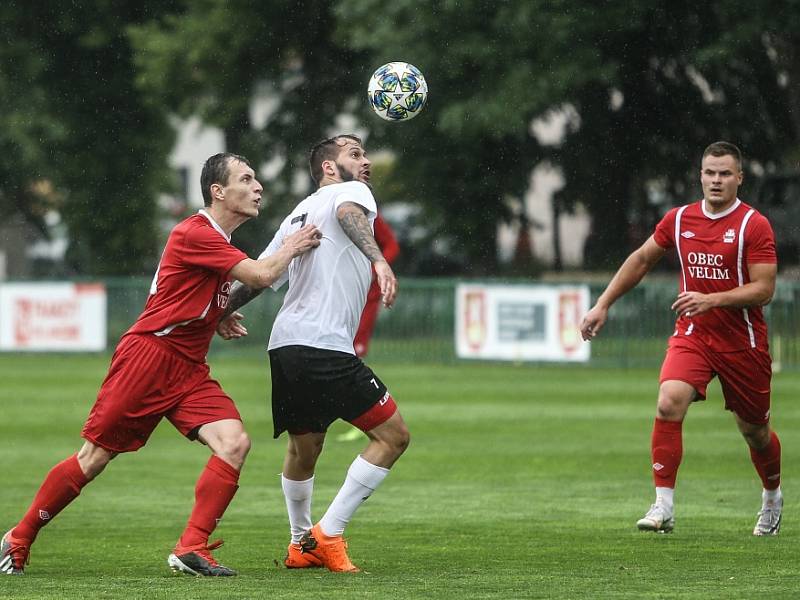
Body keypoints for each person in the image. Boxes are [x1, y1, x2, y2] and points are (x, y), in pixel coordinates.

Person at [0, 153, 321, 576]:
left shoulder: (217, 242)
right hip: (149, 359)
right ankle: (16, 539)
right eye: (247, 178)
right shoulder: (196, 232)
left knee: (234, 443)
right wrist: (291, 247)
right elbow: (260, 276)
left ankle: (192, 547)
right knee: (94, 457)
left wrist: (217, 314)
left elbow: (184, 289)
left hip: (187, 367)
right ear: (218, 191)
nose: (258, 186)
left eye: (257, 178)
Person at [218, 134, 410, 572]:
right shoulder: (351, 194)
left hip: (286, 346)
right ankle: (328, 534)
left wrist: (216, 315)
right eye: (355, 154)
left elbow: (259, 278)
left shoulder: (295, 216)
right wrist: (378, 260)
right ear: (329, 167)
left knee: (305, 448)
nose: (366, 164)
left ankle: (298, 544)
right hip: (323, 346)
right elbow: (347, 214)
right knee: (393, 437)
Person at [580, 141, 782, 536]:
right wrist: (603, 303)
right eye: (710, 172)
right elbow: (640, 259)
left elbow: (765, 289)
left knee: (754, 432)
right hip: (694, 335)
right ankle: (664, 506)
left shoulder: (752, 225)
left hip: (743, 342)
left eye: (725, 173)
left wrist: (713, 299)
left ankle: (772, 498)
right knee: (669, 402)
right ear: (700, 175)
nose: (716, 180)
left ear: (739, 178)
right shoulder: (679, 219)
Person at [354, 213, 400, 357]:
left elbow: (392, 245)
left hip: (367, 289)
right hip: (341, 286)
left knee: (357, 342)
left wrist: (375, 269)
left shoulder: (368, 215)